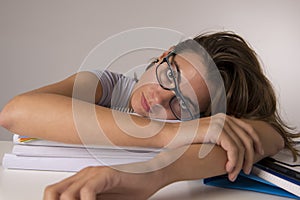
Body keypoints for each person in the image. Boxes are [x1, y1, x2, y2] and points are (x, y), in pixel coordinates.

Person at [0, 31, 298, 200]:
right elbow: (15, 113)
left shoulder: (198, 125)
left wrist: (154, 174)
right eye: (169, 74)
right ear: (164, 55)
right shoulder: (107, 86)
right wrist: (170, 133)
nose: (156, 97)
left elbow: (267, 136)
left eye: (182, 103)